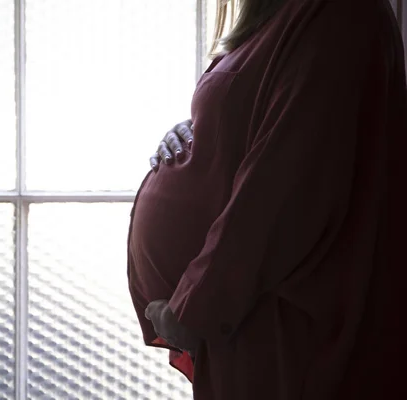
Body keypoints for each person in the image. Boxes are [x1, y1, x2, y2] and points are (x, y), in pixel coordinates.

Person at [127, 0, 407, 399]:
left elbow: (285, 188)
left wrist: (196, 307)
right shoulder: (276, 19)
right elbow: (253, 129)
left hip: (286, 336)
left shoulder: (339, 13)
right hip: (246, 329)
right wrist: (193, 133)